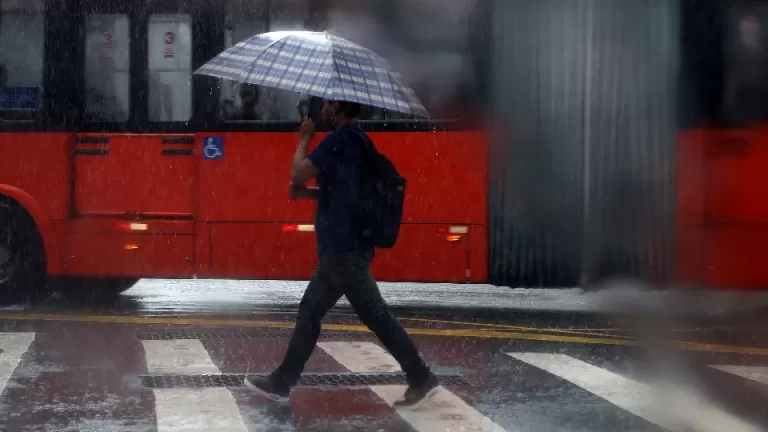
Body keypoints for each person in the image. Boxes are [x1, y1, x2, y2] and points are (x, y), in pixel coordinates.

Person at [243, 99, 440, 409]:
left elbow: (298, 171)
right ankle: (281, 382)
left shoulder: (338, 141)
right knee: (310, 311)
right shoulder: (359, 140)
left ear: (337, 108)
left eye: (327, 103)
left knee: (376, 315)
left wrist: (304, 139)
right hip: (343, 249)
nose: (322, 108)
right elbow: (342, 193)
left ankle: (420, 376)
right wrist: (308, 193)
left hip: (342, 249)